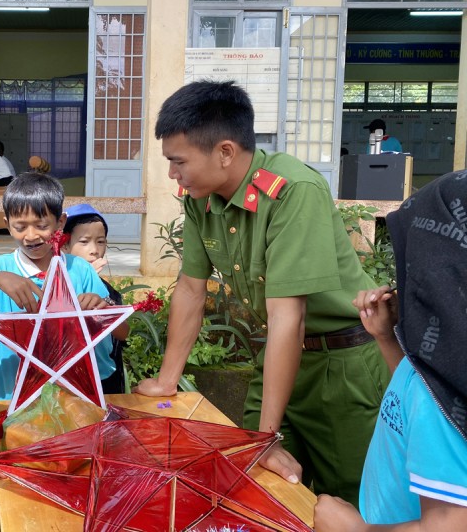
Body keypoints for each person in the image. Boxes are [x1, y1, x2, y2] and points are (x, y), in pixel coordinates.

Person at [134, 80, 390, 506]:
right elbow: (191, 288)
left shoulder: (292, 191)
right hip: (279, 357)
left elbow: (290, 316)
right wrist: (166, 380)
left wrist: (269, 436)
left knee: (350, 499)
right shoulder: (201, 198)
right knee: (251, 484)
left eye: (179, 162)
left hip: (343, 366)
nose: (171, 174)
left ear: (226, 152)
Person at [314, 170, 467, 531]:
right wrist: (386, 337)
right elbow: (419, 398)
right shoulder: (445, 367)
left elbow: (448, 525)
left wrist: (358, 530)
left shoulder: (444, 404)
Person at [0, 172, 115, 400]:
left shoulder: (79, 269)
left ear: (61, 222)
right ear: (7, 225)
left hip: (74, 396)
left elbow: (121, 331)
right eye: (20, 226)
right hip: (17, 397)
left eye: (42, 225)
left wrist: (102, 306)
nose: (31, 236)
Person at [63, 203, 129, 394]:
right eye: (84, 242)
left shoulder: (109, 291)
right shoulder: (55, 282)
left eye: (100, 242)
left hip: (104, 378)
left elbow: (123, 333)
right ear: (65, 244)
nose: (94, 250)